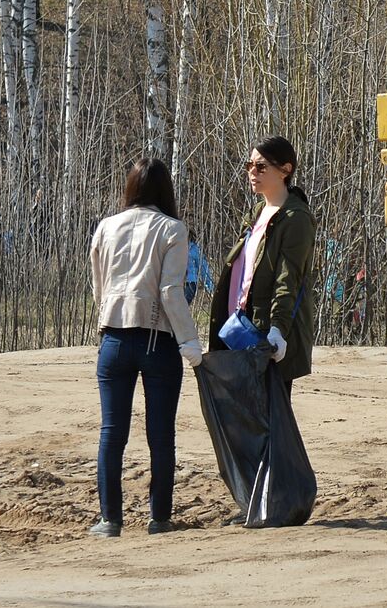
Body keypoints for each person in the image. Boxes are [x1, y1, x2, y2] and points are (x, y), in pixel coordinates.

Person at [88, 158, 203, 539]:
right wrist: (190, 341)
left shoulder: (106, 226)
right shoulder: (173, 229)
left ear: (130, 188)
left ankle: (109, 520)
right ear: (165, 191)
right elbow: (171, 291)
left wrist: (106, 318)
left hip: (114, 336)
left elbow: (98, 285)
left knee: (112, 432)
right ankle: (159, 517)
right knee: (160, 434)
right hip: (158, 339)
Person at [208, 136, 317, 400]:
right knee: (243, 417)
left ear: (285, 170)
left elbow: (287, 278)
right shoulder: (258, 211)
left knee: (269, 420)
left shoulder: (296, 218)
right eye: (249, 165)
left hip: (265, 334)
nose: (252, 173)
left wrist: (278, 329)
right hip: (240, 327)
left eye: (261, 167)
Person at [184, 229, 214, 306]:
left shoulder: (194, 250)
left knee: (182, 306)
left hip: (190, 283)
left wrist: (210, 287)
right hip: (175, 282)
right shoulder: (174, 248)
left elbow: (203, 268)